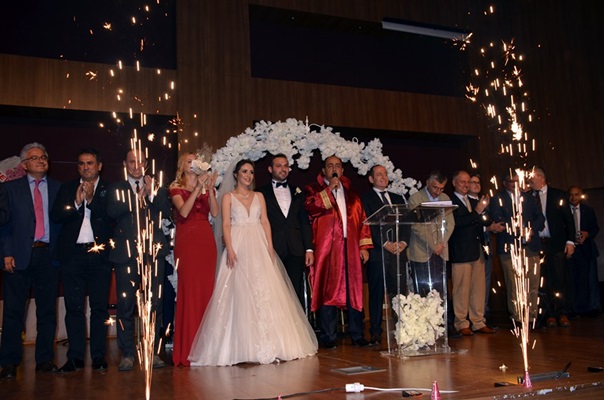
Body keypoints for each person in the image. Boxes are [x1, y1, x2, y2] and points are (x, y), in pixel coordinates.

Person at [188, 159, 317, 366]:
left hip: (259, 244)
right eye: (244, 171)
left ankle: (274, 344)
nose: (248, 175)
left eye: (250, 172)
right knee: (239, 291)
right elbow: (226, 224)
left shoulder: (259, 196)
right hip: (238, 245)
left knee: (266, 292)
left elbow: (265, 222)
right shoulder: (228, 197)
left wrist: (269, 246)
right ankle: (239, 346)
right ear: (236, 174)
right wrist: (230, 249)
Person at [0, 143, 61, 380]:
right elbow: (4, 225)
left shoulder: (58, 188)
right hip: (18, 256)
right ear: (24, 165)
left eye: (44, 157)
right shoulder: (9, 188)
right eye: (34, 158)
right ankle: (9, 362)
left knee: (47, 311)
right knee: (13, 312)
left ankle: (44, 360)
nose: (41, 160)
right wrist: (5, 253)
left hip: (48, 256)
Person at [50, 148, 113, 372]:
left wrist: (91, 200)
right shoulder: (67, 188)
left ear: (99, 166)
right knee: (74, 307)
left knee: (99, 308)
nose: (85, 167)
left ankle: (98, 356)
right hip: (73, 255)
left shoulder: (109, 189)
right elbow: (56, 215)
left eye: (90, 163)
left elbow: (111, 218)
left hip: (99, 255)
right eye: (81, 163)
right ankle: (75, 357)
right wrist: (76, 204)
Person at [107, 149, 171, 371]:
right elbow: (112, 211)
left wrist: (152, 193)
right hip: (125, 256)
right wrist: (136, 198)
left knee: (154, 304)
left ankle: (152, 352)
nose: (136, 166)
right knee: (126, 305)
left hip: (153, 253)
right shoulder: (116, 188)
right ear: (125, 163)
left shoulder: (157, 186)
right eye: (132, 161)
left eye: (140, 161)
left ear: (146, 163)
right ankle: (127, 353)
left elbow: (167, 211)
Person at [304, 155, 373, 349]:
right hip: (327, 249)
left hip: (350, 248)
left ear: (342, 170)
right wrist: (329, 190)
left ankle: (357, 335)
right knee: (328, 290)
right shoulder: (313, 190)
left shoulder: (353, 195)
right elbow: (311, 208)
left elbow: (363, 221)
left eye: (337, 166)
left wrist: (363, 246)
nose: (334, 169)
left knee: (353, 292)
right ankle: (328, 336)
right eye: (330, 166)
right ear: (324, 171)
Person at [169, 152, 219, 367]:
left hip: (205, 240)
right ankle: (188, 349)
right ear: (182, 166)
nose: (193, 163)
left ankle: (207, 350)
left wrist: (211, 190)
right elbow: (184, 212)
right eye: (189, 161)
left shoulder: (206, 186)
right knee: (189, 292)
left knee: (207, 291)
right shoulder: (175, 187)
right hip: (187, 241)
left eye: (195, 160)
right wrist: (197, 189)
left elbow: (215, 213)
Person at [256, 153, 314, 309]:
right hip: (272, 247)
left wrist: (309, 249)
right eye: (278, 166)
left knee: (295, 289)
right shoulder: (260, 193)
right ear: (270, 169)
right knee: (273, 289)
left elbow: (304, 221)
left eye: (286, 166)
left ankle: (296, 323)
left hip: (296, 248)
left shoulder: (298, 191)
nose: (283, 169)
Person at [361, 164, 409, 346]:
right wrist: (385, 244)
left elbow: (406, 223)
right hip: (378, 254)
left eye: (385, 174)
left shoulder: (398, 198)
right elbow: (367, 225)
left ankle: (402, 328)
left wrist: (403, 242)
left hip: (398, 253)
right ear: (371, 179)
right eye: (379, 174)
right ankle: (375, 331)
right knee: (376, 293)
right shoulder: (365, 199)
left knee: (399, 292)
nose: (383, 177)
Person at [489, 173, 544, 323]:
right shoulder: (497, 199)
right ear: (504, 183)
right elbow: (497, 218)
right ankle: (518, 317)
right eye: (511, 181)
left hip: (530, 246)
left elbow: (540, 218)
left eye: (516, 181)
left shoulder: (529, 198)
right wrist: (517, 229)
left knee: (532, 283)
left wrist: (531, 230)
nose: (514, 184)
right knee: (514, 284)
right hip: (509, 248)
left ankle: (531, 316)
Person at [448, 170, 495, 336]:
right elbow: (458, 223)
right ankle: (461, 323)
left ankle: (478, 321)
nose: (466, 185)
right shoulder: (450, 202)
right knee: (461, 289)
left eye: (468, 182)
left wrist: (489, 221)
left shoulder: (473, 201)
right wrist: (477, 211)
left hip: (477, 250)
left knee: (478, 288)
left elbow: (480, 221)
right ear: (454, 183)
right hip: (461, 252)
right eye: (462, 182)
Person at [529, 166, 575, 328]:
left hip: (556, 243)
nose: (529, 179)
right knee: (543, 280)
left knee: (560, 278)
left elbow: (569, 220)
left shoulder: (558, 194)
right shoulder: (528, 197)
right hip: (537, 244)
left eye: (532, 176)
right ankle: (548, 314)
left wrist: (570, 242)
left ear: (541, 177)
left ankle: (562, 312)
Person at [407, 171, 455, 296]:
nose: (438, 192)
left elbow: (450, 223)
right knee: (422, 293)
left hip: (441, 252)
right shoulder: (415, 198)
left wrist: (441, 243)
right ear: (427, 182)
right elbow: (416, 226)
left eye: (441, 188)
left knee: (440, 292)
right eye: (435, 187)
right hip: (421, 251)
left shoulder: (445, 198)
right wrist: (434, 245)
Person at [468, 173, 502, 319]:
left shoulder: (486, 201)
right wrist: (488, 228)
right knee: (473, 283)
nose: (476, 185)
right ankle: (473, 315)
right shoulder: (467, 202)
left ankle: (483, 313)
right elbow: (470, 225)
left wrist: (495, 226)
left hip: (487, 245)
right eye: (473, 182)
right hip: (472, 247)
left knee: (485, 281)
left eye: (478, 182)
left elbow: (489, 220)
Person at [567, 186, 600, 317]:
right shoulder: (564, 211)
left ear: (580, 195)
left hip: (585, 249)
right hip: (570, 249)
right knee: (572, 280)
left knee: (587, 280)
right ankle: (574, 309)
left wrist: (587, 234)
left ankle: (588, 308)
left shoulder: (588, 210)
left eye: (576, 194)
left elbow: (595, 228)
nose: (573, 197)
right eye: (571, 195)